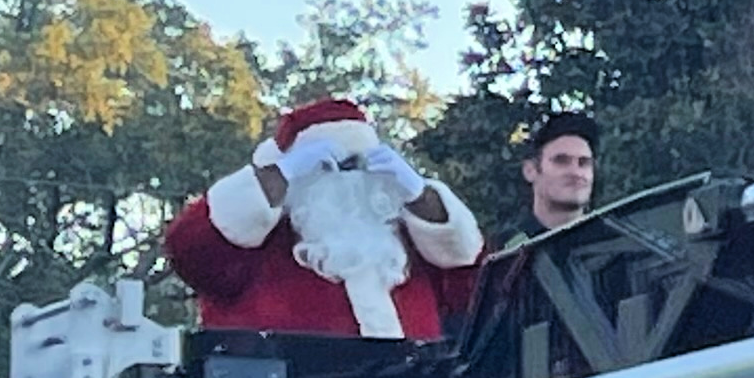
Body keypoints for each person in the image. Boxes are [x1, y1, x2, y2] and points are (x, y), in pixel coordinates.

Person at [161, 96, 487, 339]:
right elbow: (189, 248)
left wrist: (420, 194)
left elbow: (475, 283)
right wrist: (279, 175)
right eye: (333, 164)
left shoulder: (407, 243)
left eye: (358, 163)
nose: (349, 176)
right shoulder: (259, 248)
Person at [520, 117, 597, 237]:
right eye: (561, 161)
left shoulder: (622, 245)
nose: (576, 172)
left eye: (584, 162)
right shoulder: (502, 250)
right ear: (530, 171)